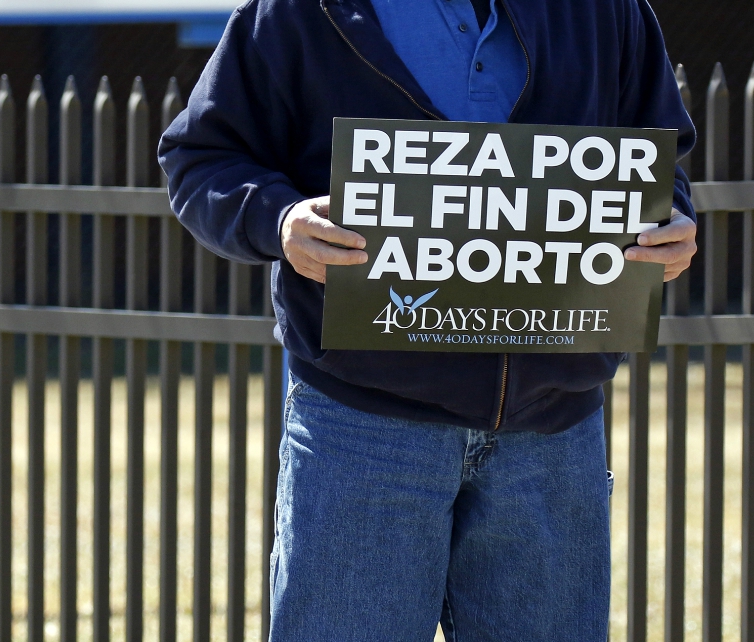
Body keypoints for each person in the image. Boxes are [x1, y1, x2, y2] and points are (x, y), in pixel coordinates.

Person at [158, 0, 697, 639]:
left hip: (555, 433)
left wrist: (671, 225)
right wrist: (279, 220)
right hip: (364, 429)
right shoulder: (299, 11)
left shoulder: (609, 11)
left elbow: (657, 161)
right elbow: (201, 157)